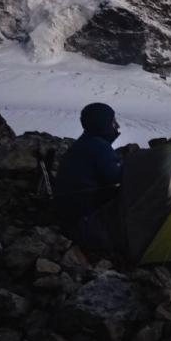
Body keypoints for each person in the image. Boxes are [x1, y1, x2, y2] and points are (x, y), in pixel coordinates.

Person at [54, 102, 123, 249]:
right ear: (103, 123)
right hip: (86, 221)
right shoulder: (99, 147)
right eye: (113, 121)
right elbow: (118, 179)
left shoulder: (85, 143)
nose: (116, 125)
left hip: (70, 216)